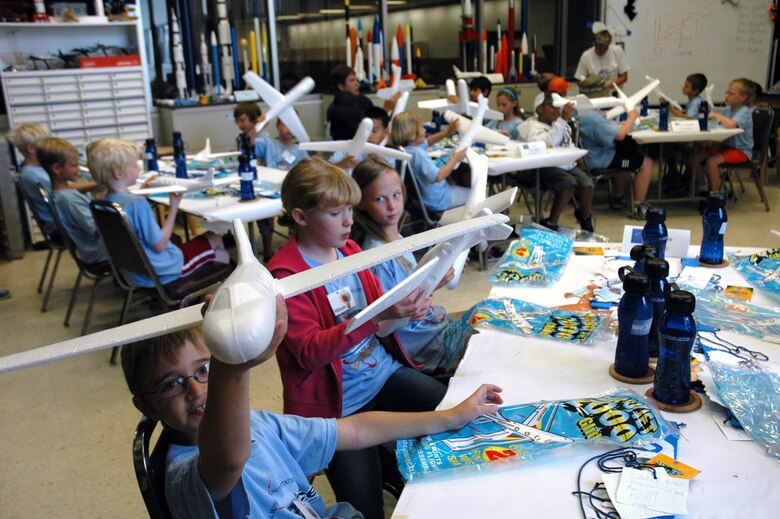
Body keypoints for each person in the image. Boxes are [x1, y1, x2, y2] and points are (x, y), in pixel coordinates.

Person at [121, 303, 502, 518]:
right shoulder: (182, 477)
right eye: (171, 384)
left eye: (205, 370)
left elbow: (352, 431)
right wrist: (231, 367)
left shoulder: (259, 424)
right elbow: (227, 461)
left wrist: (451, 416)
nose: (195, 389)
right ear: (146, 404)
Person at [267, 157, 449, 518]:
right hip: (336, 408)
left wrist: (410, 303)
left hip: (381, 373)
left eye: (350, 209)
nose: (349, 220)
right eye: (336, 212)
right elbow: (310, 353)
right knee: (364, 509)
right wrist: (379, 316)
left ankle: (393, 461)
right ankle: (389, 459)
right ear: (300, 216)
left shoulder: (348, 250)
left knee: (453, 412)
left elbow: (381, 308)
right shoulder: (285, 277)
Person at [351, 158, 470, 375]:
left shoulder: (396, 239)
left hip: (429, 327)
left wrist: (440, 271)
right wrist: (434, 283)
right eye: (380, 199)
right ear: (361, 202)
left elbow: (410, 290)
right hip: (421, 343)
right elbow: (397, 315)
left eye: (396, 195)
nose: (392, 206)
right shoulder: (379, 257)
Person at [90, 138, 230, 288]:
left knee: (210, 240)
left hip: (133, 273)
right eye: (134, 164)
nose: (138, 167)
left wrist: (142, 193)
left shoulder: (103, 203)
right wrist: (174, 207)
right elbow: (160, 245)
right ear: (119, 173)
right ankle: (206, 297)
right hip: (163, 271)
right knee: (219, 247)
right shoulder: (137, 204)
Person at [518, 93, 595, 231]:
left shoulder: (560, 124)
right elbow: (550, 142)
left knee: (587, 184)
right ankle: (552, 222)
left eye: (558, 108)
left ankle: (584, 217)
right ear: (540, 109)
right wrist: (563, 119)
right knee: (568, 183)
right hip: (546, 166)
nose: (557, 111)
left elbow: (567, 142)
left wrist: (577, 154)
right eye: (552, 107)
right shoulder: (533, 127)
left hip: (566, 164)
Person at [10, 123, 94, 235]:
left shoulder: (33, 169)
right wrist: (98, 183)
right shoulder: (33, 175)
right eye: (45, 145)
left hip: (62, 218)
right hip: (61, 224)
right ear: (31, 149)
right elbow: (65, 190)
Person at [37, 137, 108, 264]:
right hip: (100, 252)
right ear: (56, 169)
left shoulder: (61, 194)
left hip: (94, 249)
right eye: (74, 165)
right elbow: (97, 226)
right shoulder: (69, 199)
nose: (78, 169)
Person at [577, 106, 653, 219]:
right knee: (646, 163)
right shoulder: (593, 119)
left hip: (591, 155)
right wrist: (631, 118)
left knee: (624, 153)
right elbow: (620, 135)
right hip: (600, 159)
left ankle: (619, 197)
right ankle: (639, 207)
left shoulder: (579, 112)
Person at [391, 112, 468, 212]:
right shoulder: (419, 154)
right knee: (477, 194)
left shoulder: (407, 149)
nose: (425, 130)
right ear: (412, 132)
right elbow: (439, 177)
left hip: (423, 199)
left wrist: (447, 132)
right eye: (422, 127)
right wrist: (455, 158)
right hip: (439, 200)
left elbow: (428, 141)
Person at [693, 78, 754, 193]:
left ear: (743, 97)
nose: (727, 96)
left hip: (741, 151)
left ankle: (715, 194)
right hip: (725, 147)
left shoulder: (744, 111)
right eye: (727, 92)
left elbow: (731, 124)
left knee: (712, 162)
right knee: (695, 158)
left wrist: (717, 115)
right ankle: (703, 189)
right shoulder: (727, 109)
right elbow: (718, 124)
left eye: (731, 93)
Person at [233, 102, 275, 262]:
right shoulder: (244, 137)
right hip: (253, 182)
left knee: (265, 220)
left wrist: (257, 127)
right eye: (237, 120)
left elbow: (251, 145)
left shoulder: (262, 139)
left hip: (263, 185)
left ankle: (268, 251)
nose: (239, 124)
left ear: (254, 119)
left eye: (242, 120)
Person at [327, 64, 398, 133]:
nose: (357, 84)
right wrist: (385, 109)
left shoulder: (363, 100)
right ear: (341, 86)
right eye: (352, 81)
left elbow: (377, 124)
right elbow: (360, 131)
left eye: (356, 80)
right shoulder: (336, 109)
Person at [574, 28, 629, 98]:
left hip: (614, 95)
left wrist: (605, 87)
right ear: (594, 44)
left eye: (604, 49)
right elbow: (579, 79)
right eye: (598, 49)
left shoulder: (617, 51)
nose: (601, 51)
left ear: (608, 46)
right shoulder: (586, 56)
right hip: (594, 96)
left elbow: (624, 77)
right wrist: (589, 86)